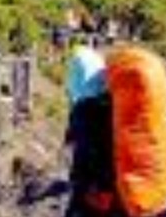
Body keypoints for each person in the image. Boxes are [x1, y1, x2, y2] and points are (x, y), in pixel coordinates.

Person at [63, 44, 117, 217]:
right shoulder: (112, 101)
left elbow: (86, 151)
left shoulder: (85, 109)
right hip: (114, 187)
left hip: (94, 189)